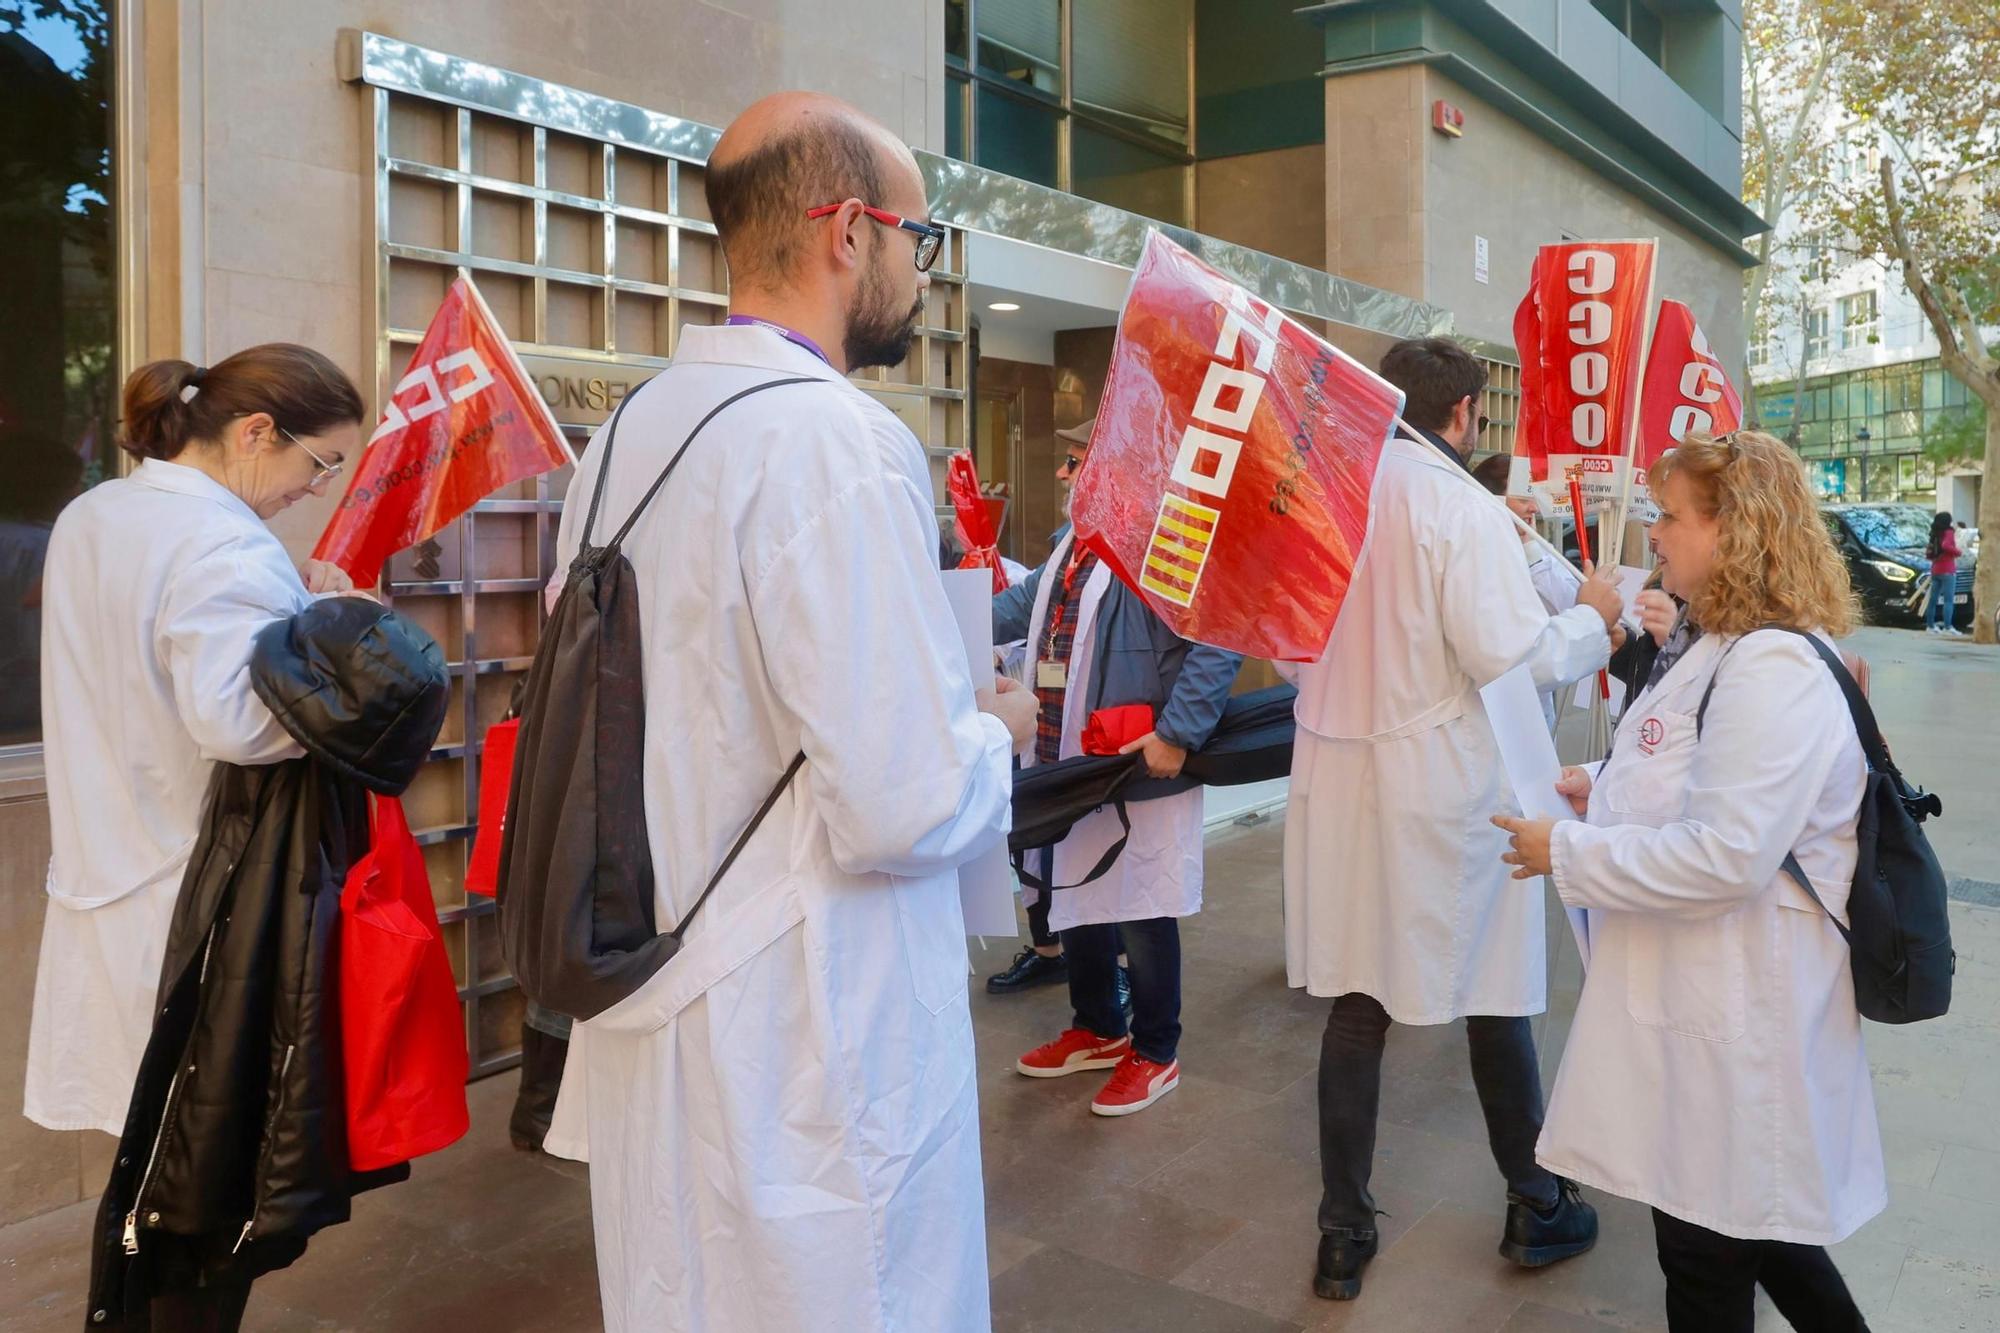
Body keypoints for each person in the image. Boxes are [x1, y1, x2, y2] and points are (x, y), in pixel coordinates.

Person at [537, 93, 1037, 1333]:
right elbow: (899, 800)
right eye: (919, 244)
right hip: (807, 1020)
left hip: (658, 974)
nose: (922, 279)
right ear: (849, 233)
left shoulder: (625, 436)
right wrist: (994, 732)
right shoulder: (833, 440)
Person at [1494, 431, 1881, 1333]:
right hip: (1708, 1006)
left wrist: (1573, 852)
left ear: (1734, 530)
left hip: (1738, 1014)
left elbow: (1727, 855)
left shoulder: (1773, 663)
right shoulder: (1732, 645)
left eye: (1670, 516)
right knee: (1751, 1234)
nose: (1655, 535)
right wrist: (1607, 796)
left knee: (1708, 1256)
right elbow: (1700, 785)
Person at [25, 345, 361, 1329]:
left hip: (111, 876)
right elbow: (243, 722)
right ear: (257, 434)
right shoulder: (223, 544)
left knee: (140, 1178)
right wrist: (338, 625)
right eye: (318, 463)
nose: (313, 489)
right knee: (201, 1205)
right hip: (202, 914)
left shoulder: (99, 512)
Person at [1284, 336, 1622, 1301]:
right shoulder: (1452, 503)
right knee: (1496, 982)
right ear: (1465, 413)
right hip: (1442, 781)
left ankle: (1342, 1229)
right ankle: (1534, 1200)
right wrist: (1594, 613)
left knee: (1356, 998)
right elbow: (1507, 651)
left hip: (1338, 770)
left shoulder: (1328, 492)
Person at [994, 416, 1241, 1115]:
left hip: (1138, 757)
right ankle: (1099, 1025)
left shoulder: (1169, 539)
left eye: (1076, 461)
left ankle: (1156, 1049)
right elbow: (1018, 607)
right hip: (1067, 751)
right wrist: (937, 624)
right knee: (1076, 891)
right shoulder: (1076, 544)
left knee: (1140, 903)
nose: (1064, 474)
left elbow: (1218, 635)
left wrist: (1179, 731)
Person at [1925, 510, 1961, 635]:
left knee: (1933, 599)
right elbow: (1946, 546)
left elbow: (1929, 553)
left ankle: (1930, 626)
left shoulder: (1934, 533)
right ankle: (1947, 626)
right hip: (1948, 569)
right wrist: (1958, 552)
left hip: (1936, 569)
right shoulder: (1949, 532)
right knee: (1948, 600)